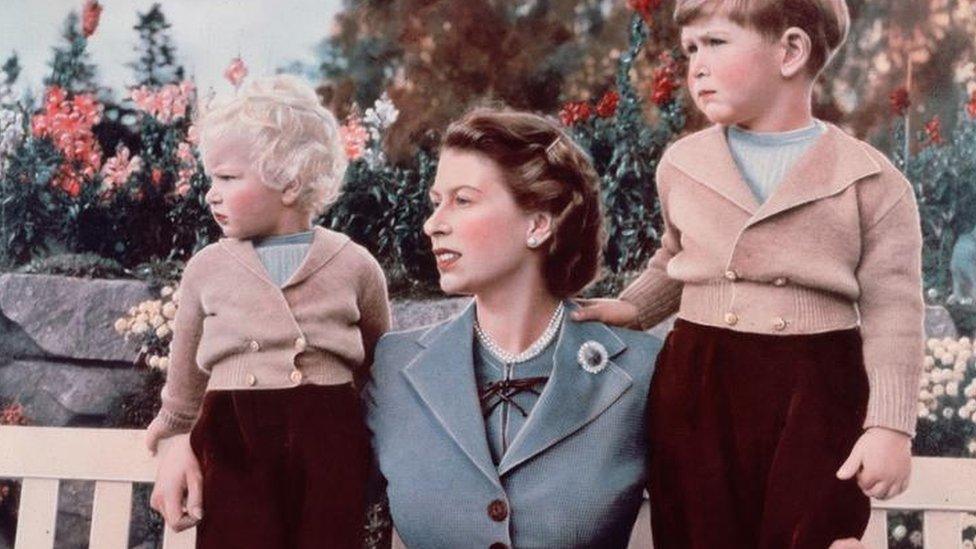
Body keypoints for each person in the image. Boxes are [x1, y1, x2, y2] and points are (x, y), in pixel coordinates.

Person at [572, 1, 923, 547]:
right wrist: (635, 307)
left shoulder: (872, 181)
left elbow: (894, 310)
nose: (695, 66)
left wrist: (890, 427)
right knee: (698, 531)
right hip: (700, 379)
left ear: (790, 51)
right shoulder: (683, 164)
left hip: (818, 387)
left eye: (714, 43)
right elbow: (676, 257)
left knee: (813, 534)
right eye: (690, 49)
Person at [366, 107, 663, 549]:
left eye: (462, 200)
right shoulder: (394, 366)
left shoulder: (641, 371)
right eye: (435, 202)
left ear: (538, 225)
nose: (433, 224)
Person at [145, 74, 391, 548]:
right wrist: (174, 440)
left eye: (228, 178)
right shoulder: (207, 269)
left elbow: (380, 369)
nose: (211, 193)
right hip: (234, 437)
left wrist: (380, 446)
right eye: (210, 178)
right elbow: (184, 381)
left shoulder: (356, 265)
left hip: (329, 441)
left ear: (290, 183)